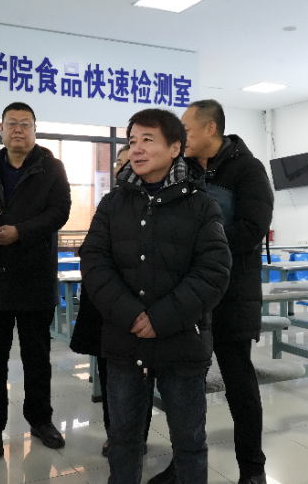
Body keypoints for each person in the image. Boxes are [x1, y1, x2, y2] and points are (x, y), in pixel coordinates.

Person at [80, 108, 232, 484]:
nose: (137, 148)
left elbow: (213, 271)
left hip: (181, 344)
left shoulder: (201, 204)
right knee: (123, 441)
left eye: (148, 139)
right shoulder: (113, 204)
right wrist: (131, 314)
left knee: (189, 443)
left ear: (175, 148)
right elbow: (94, 263)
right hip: (124, 341)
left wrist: (160, 318)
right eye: (132, 141)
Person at [145, 99, 273, 484]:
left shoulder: (247, 170)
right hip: (190, 297)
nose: (179, 137)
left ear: (210, 129)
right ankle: (182, 465)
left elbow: (252, 229)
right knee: (185, 388)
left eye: (185, 130)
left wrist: (200, 244)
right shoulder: (182, 170)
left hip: (233, 296)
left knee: (239, 386)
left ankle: (253, 469)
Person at [0, 102, 71, 457]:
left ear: (34, 130)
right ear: (0, 129)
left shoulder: (51, 168)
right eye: (12, 123)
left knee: (37, 358)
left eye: (25, 124)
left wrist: (20, 231)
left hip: (34, 278)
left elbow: (60, 212)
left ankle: (40, 420)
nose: (18, 129)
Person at [69, 143, 153, 458]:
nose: (123, 166)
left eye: (129, 161)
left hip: (144, 308)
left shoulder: (158, 203)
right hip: (107, 304)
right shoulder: (110, 202)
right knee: (109, 373)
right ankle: (114, 434)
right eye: (119, 162)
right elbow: (93, 252)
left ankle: (138, 436)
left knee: (142, 376)